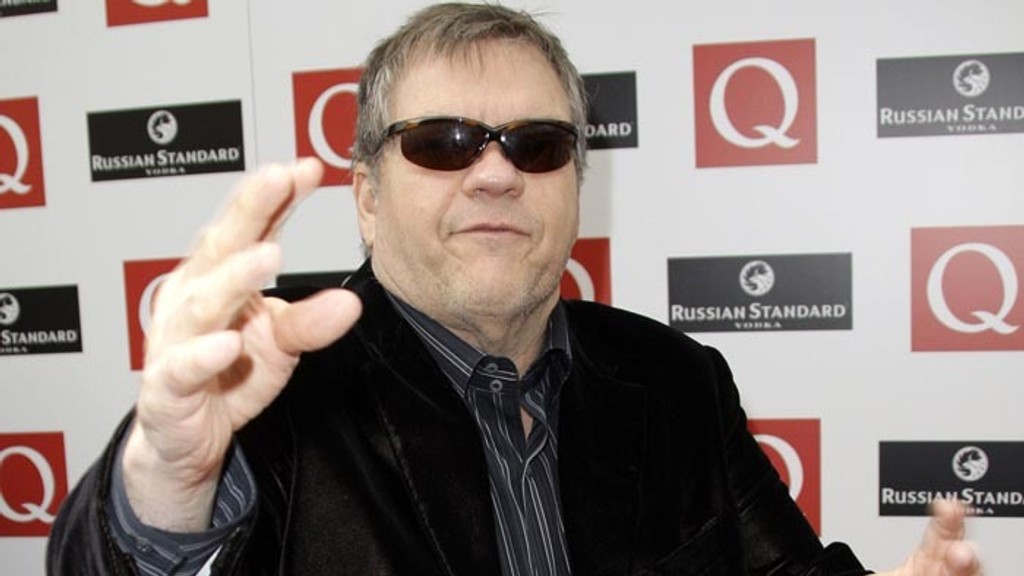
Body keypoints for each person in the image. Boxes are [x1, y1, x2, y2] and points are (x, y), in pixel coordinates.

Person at [47, 3, 984, 575]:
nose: (496, 175)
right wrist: (168, 482)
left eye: (537, 145)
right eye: (443, 142)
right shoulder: (271, 390)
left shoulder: (676, 378)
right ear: (367, 195)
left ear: (577, 187)